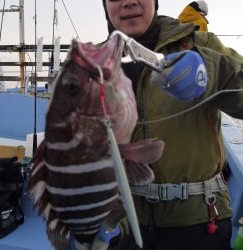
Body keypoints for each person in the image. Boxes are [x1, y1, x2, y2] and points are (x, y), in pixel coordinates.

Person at [89, 0, 243, 250]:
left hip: (199, 222)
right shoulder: (89, 63)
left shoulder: (199, 44)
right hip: (122, 225)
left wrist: (212, 72)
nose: (129, 1)